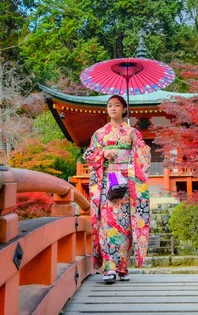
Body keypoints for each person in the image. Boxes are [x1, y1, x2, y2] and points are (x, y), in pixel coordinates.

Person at [83, 95, 151, 284]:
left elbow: (144, 156)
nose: (112, 108)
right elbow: (89, 155)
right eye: (109, 105)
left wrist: (135, 143)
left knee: (126, 225)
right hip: (107, 181)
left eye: (117, 105)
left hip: (126, 182)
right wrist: (104, 152)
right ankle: (109, 268)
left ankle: (122, 267)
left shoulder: (132, 132)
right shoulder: (100, 133)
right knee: (107, 223)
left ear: (124, 109)